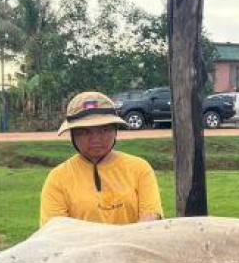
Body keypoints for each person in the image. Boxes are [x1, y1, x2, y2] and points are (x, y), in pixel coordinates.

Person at [40, 91, 163, 226]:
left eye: (104, 130)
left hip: (132, 239)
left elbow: (151, 216)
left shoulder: (139, 169)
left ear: (115, 131)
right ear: (73, 135)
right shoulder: (58, 178)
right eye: (84, 132)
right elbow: (55, 229)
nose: (95, 138)